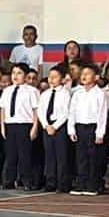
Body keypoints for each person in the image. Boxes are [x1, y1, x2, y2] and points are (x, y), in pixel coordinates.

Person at [68, 63, 108, 196]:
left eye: (87, 74)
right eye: (82, 74)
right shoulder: (77, 94)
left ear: (96, 77)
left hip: (93, 127)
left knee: (93, 157)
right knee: (81, 157)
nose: (83, 76)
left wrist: (100, 132)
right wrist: (71, 130)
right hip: (80, 127)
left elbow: (102, 114)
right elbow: (72, 112)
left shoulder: (100, 94)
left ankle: (92, 185)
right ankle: (81, 183)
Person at [0, 62, 39, 190]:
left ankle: (26, 181)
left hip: (25, 125)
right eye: (13, 73)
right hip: (10, 125)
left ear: (26, 76)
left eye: (19, 73)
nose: (15, 76)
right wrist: (3, 127)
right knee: (10, 155)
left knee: (24, 155)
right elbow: (3, 110)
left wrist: (34, 127)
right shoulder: (7, 91)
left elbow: (36, 111)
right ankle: (8, 180)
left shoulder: (32, 91)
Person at [38, 65, 72, 193]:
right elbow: (41, 111)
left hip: (60, 127)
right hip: (47, 127)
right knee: (49, 156)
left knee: (61, 156)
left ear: (62, 79)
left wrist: (55, 126)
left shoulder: (65, 94)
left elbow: (66, 112)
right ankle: (50, 182)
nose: (51, 79)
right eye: (50, 77)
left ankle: (62, 183)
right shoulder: (45, 94)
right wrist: (46, 125)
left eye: (55, 77)